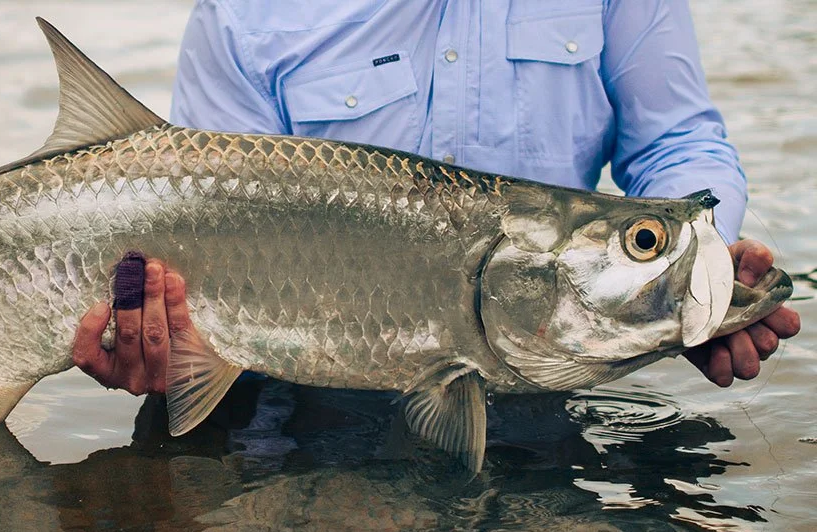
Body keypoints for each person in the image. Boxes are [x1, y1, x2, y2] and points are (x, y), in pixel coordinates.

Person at [72, 0, 800, 398]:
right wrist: (165, 343)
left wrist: (680, 283)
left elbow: (678, 143)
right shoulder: (245, 15)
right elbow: (189, 203)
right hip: (297, 405)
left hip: (543, 379)